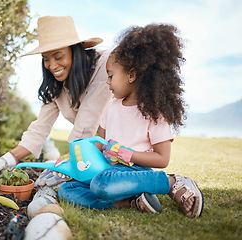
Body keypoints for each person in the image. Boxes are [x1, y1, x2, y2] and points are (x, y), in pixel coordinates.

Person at [58, 24, 204, 218]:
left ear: (132, 75)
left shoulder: (154, 112)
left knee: (101, 183)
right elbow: (97, 145)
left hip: (134, 172)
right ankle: (132, 202)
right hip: (108, 172)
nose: (107, 82)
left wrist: (127, 154)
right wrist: (72, 162)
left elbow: (162, 158)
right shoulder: (111, 106)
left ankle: (171, 183)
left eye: (110, 76)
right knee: (67, 190)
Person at [0, 16, 112, 189]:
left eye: (58, 56)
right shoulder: (56, 84)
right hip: (87, 155)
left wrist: (66, 166)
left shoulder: (104, 65)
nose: (52, 66)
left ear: (76, 51)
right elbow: (40, 128)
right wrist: (7, 159)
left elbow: (86, 123)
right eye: (46, 59)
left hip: (119, 149)